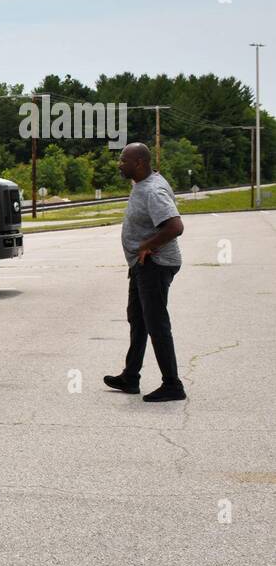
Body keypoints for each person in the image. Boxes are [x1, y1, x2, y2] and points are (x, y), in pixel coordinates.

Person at [104, 143, 186, 402]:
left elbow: (175, 226)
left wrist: (146, 246)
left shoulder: (153, 190)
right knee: (138, 320)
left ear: (139, 163)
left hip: (156, 265)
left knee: (156, 323)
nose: (120, 163)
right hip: (142, 266)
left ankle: (172, 385)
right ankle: (131, 377)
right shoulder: (143, 182)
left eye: (123, 159)